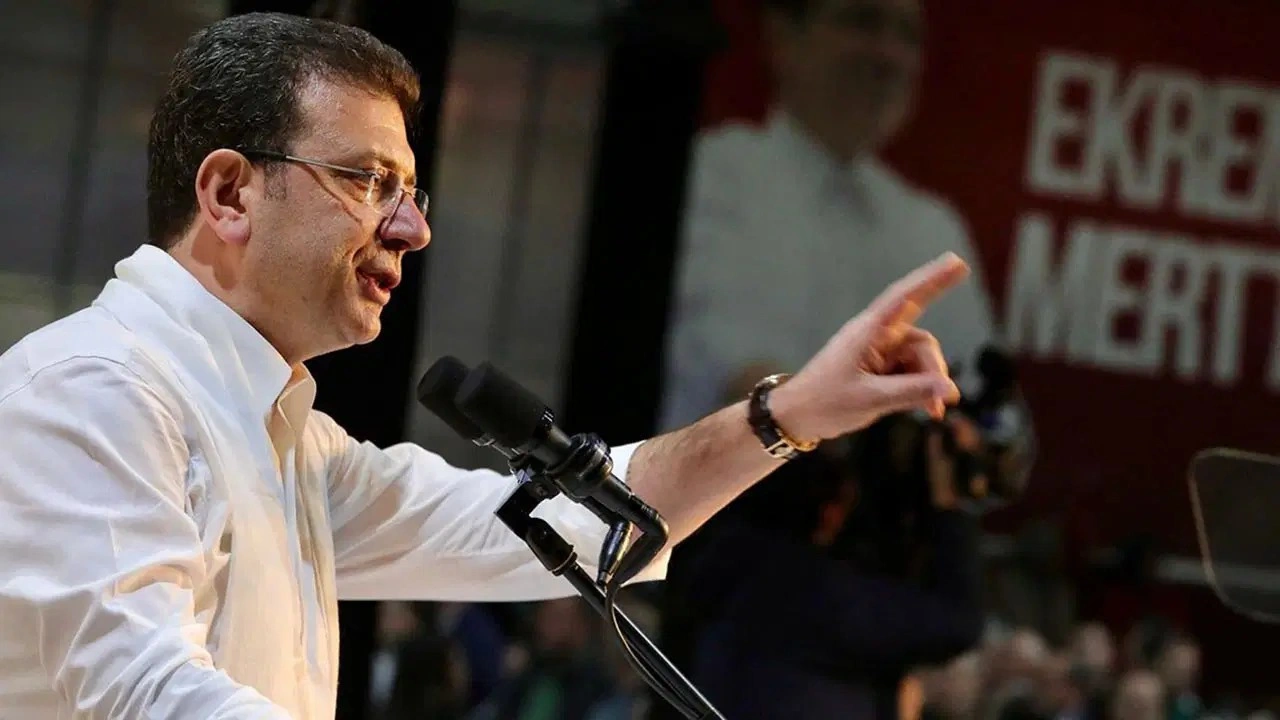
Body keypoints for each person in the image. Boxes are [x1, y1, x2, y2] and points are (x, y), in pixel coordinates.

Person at [0, 11, 973, 720]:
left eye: (410, 192)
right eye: (368, 180)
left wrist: (788, 413)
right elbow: (142, 690)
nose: (411, 228)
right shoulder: (95, 389)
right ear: (228, 194)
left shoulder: (291, 443)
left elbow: (569, 529)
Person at [660, 0, 999, 431]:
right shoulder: (710, 176)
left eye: (908, 36)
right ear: (784, 37)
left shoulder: (933, 230)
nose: (889, 55)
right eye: (862, 21)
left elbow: (985, 415)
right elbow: (734, 379)